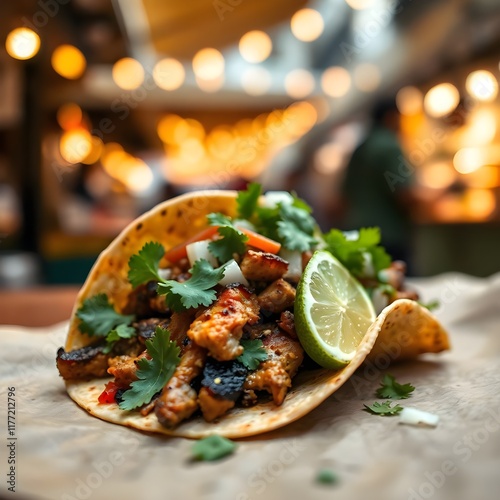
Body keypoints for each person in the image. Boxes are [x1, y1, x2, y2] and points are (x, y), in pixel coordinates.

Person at [340, 98, 416, 268]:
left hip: (356, 231)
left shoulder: (360, 148)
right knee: (399, 287)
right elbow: (404, 194)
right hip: (387, 234)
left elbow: (342, 196)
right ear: (391, 116)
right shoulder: (389, 146)